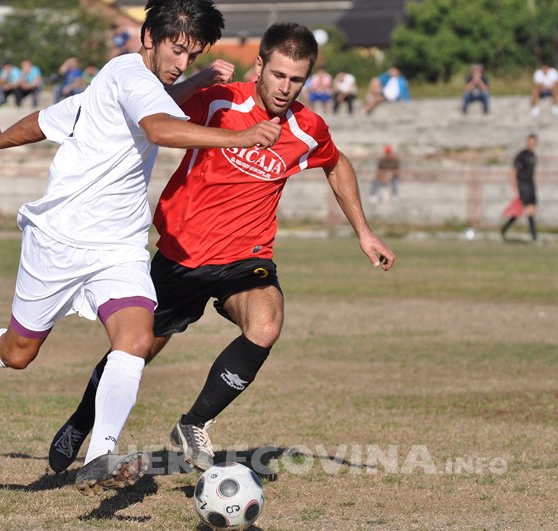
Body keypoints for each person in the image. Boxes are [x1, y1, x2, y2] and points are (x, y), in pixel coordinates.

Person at [0, 0, 282, 497]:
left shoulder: (122, 80)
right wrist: (242, 136)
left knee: (136, 339)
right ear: (148, 39)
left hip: (117, 245)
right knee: (18, 351)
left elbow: (54, 117)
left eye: (192, 54)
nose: (181, 61)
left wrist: (2, 138)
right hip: (60, 239)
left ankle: (100, 456)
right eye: (176, 50)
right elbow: (158, 128)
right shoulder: (132, 80)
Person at [47, 22, 396, 475]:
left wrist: (364, 232)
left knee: (266, 322)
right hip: (181, 255)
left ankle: (194, 423)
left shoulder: (308, 128)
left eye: (297, 80)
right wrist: (197, 80)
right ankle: (82, 421)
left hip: (245, 259)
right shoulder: (220, 100)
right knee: (136, 352)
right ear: (260, 66)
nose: (286, 88)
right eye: (279, 76)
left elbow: (336, 163)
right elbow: (154, 110)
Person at [501, 134, 539, 243]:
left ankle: (534, 237)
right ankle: (504, 231)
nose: (532, 144)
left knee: (531, 211)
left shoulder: (533, 156)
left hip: (531, 185)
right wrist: (514, 187)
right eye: (530, 141)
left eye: (534, 142)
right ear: (527, 142)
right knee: (519, 211)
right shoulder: (522, 155)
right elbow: (513, 171)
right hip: (522, 185)